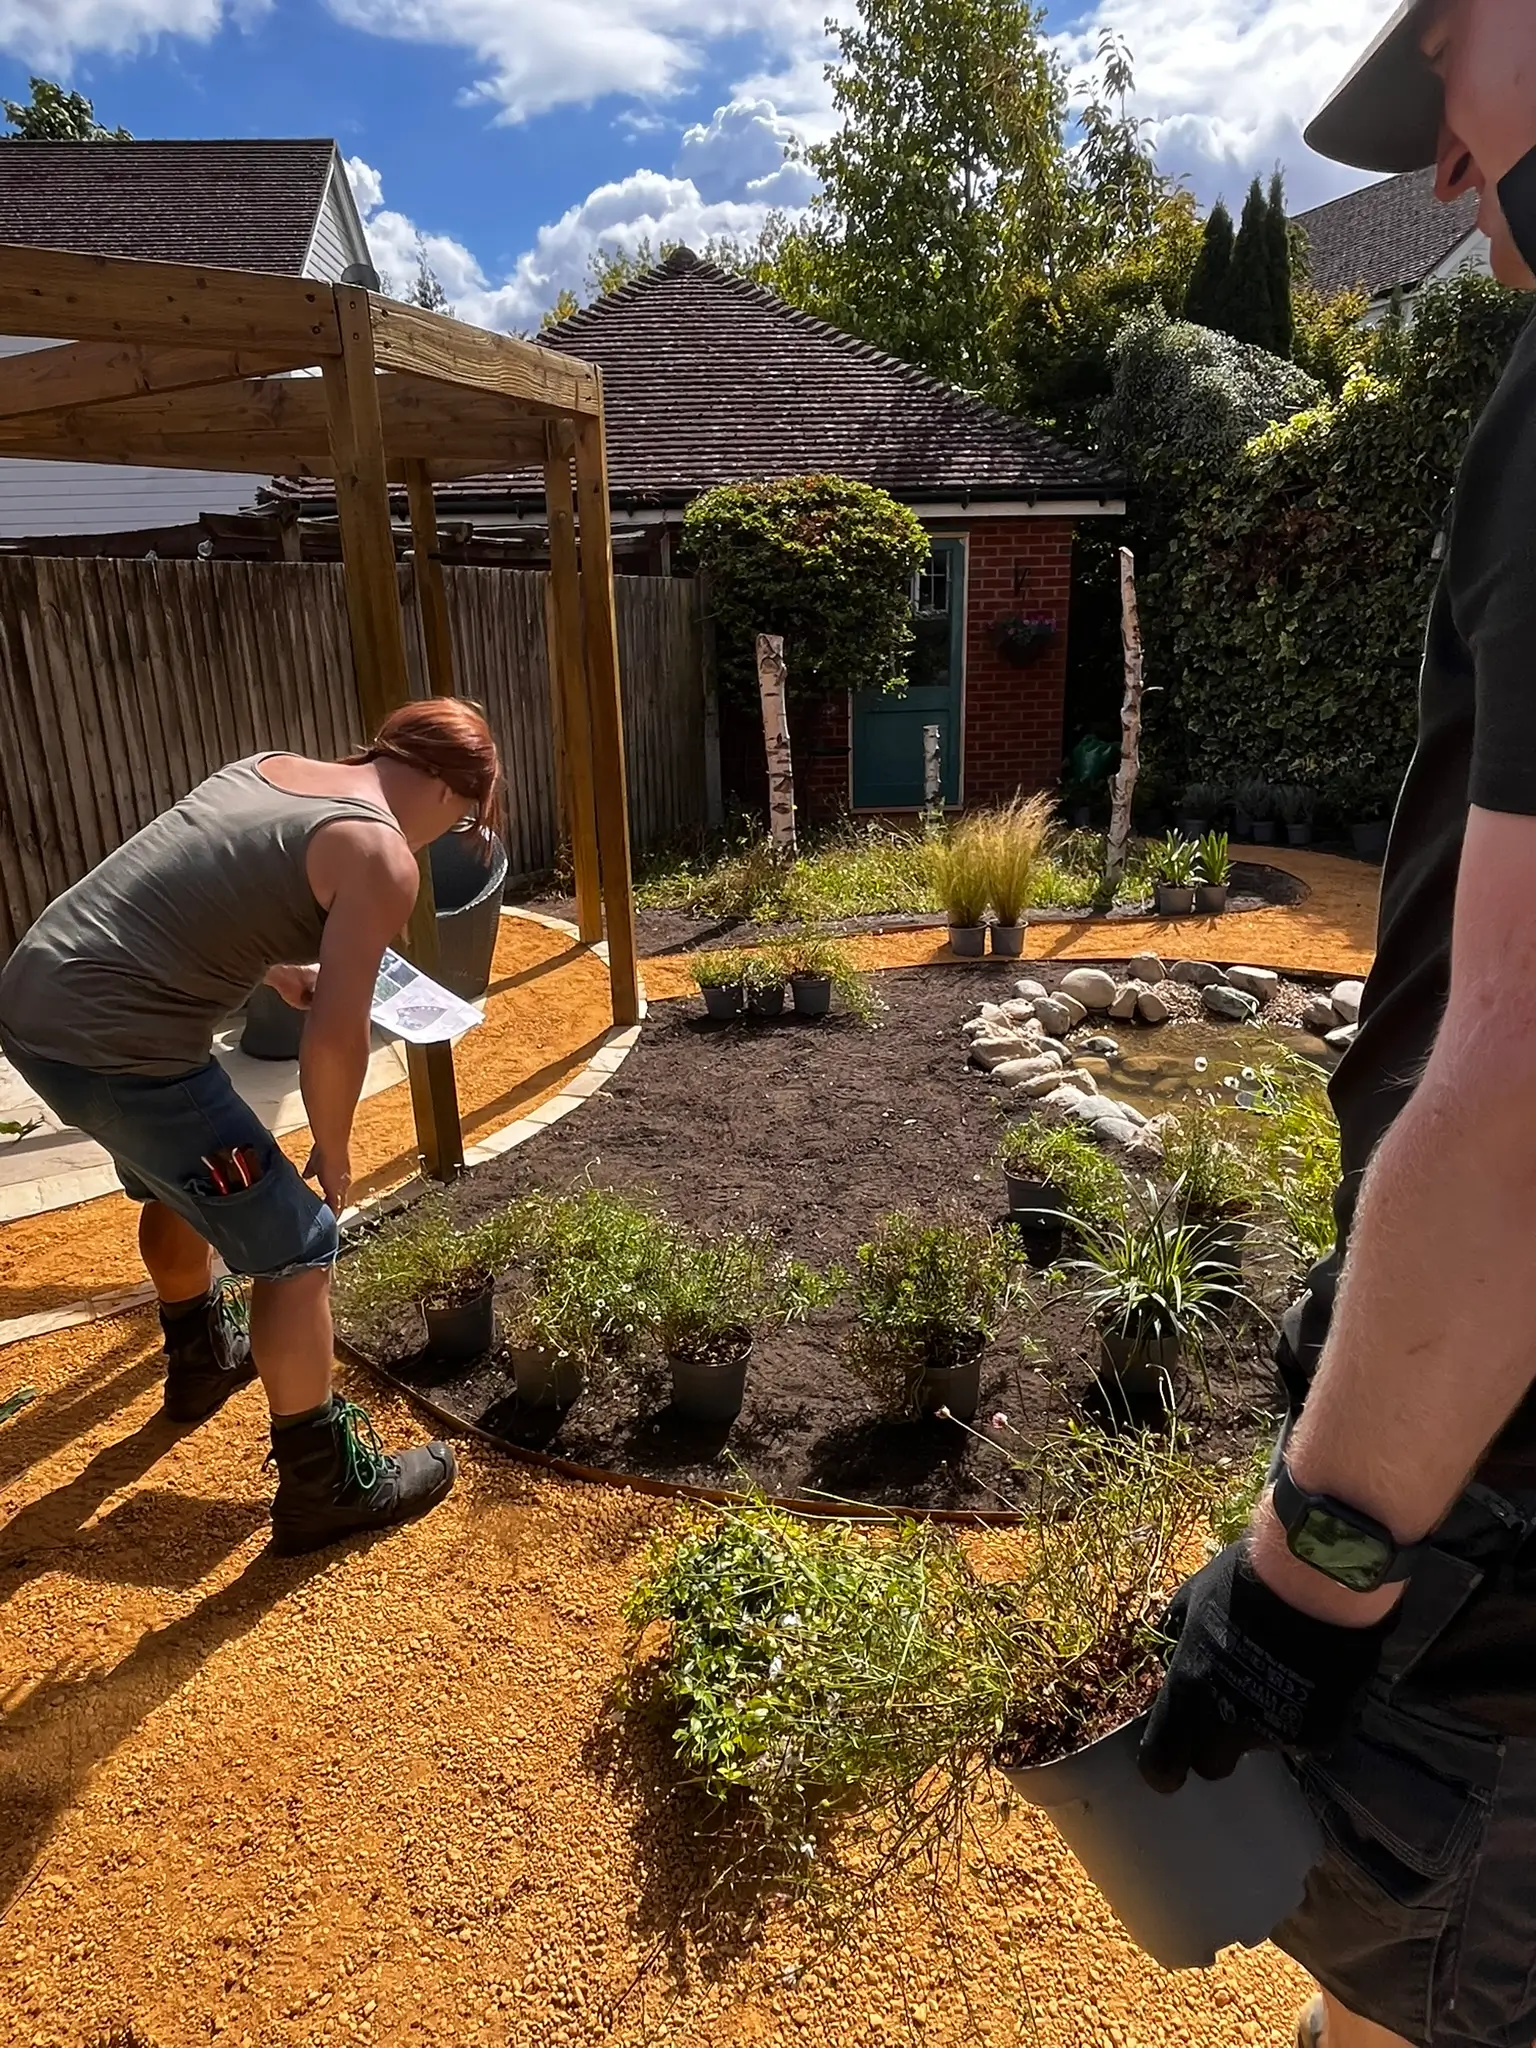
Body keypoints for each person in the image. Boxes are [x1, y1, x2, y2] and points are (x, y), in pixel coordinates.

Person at [1137, 5, 1536, 2045]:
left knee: (1421, 1993)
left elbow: (1532, 1074)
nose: (1446, 176)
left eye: (1448, 66)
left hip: (1511, 1535)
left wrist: (1304, 1583)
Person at [0, 699, 501, 1556]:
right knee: (298, 1248)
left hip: (38, 996)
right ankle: (325, 1486)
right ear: (452, 789)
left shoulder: (268, 770)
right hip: (124, 1045)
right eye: (462, 822)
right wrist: (333, 1151)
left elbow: (190, 889)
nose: (443, 837)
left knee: (176, 1182)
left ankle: (200, 1362)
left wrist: (275, 970)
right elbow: (339, 1034)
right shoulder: (380, 851)